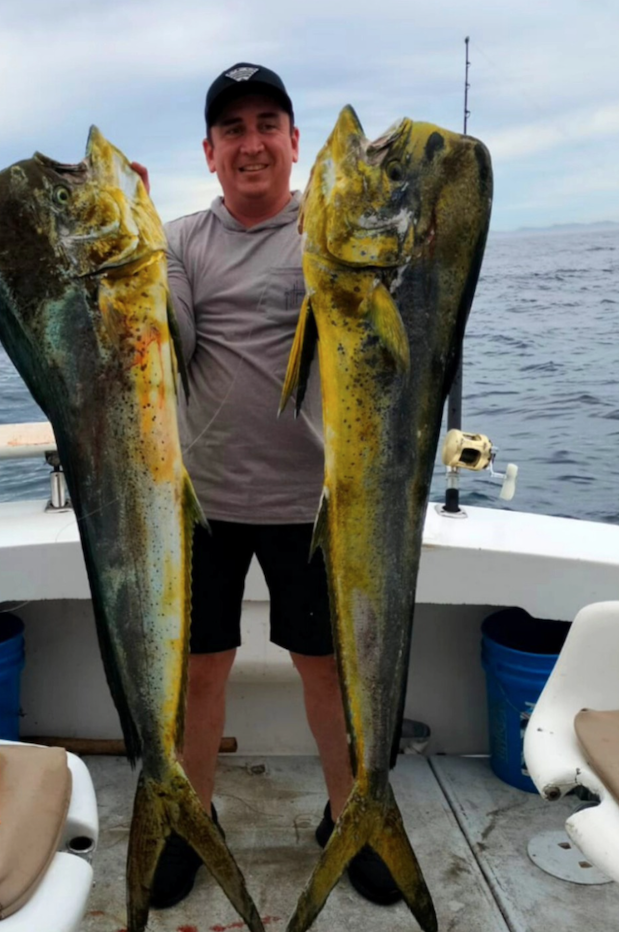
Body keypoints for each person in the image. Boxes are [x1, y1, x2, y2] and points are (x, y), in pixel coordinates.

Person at [132, 62, 400, 910]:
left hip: (315, 509)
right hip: (203, 504)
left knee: (326, 673)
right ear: (209, 153)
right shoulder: (178, 241)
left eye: (266, 125)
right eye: (233, 131)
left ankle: (349, 813)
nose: (252, 144)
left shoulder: (329, 237)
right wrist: (133, 236)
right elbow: (166, 331)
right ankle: (190, 815)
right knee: (202, 672)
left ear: (295, 142)